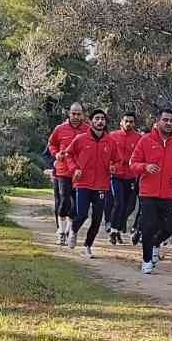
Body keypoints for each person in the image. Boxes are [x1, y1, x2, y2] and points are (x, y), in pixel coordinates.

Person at [129, 108, 172, 274]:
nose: (169, 123)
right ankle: (146, 260)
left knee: (170, 227)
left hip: (170, 193)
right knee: (148, 226)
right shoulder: (146, 140)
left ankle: (155, 243)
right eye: (165, 120)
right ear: (158, 121)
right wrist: (145, 167)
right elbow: (132, 164)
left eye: (171, 120)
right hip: (148, 192)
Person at [65, 109, 115, 258]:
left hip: (101, 185)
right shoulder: (81, 139)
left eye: (102, 119)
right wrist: (74, 169)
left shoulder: (110, 141)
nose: (100, 121)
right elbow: (68, 154)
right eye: (97, 118)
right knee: (81, 214)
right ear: (91, 121)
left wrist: (114, 167)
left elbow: (117, 160)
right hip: (83, 184)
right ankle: (73, 230)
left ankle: (87, 246)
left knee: (97, 218)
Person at [46, 103, 88, 245]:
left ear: (83, 114)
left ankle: (69, 231)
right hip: (62, 170)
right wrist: (56, 154)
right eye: (73, 113)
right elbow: (51, 144)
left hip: (79, 172)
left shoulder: (88, 130)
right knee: (64, 200)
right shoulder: (60, 129)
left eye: (79, 114)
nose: (76, 117)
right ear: (69, 114)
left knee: (75, 204)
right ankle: (61, 231)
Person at [105, 112, 143, 246]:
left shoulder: (139, 138)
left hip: (132, 176)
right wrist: (110, 165)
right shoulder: (113, 136)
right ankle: (113, 231)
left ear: (134, 123)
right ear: (121, 122)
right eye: (126, 121)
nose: (128, 124)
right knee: (118, 202)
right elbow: (105, 153)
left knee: (129, 206)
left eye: (131, 121)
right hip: (116, 176)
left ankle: (119, 228)